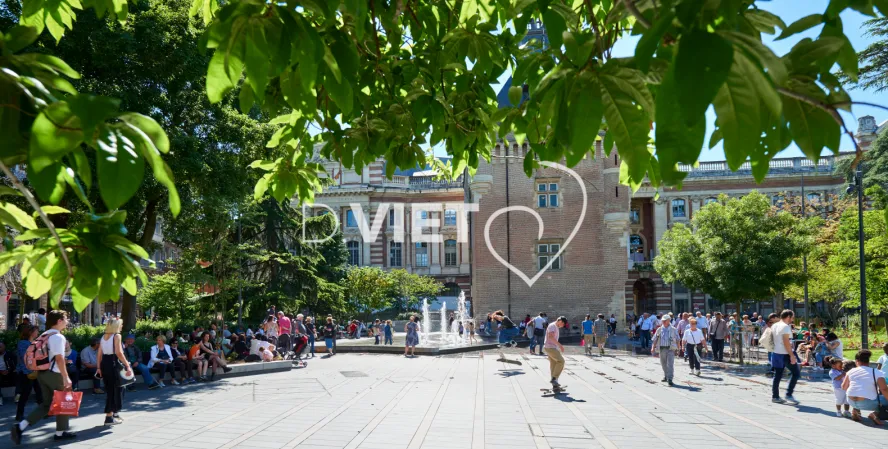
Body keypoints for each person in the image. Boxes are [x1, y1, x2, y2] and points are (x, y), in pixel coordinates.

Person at [11, 310, 77, 444]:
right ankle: (60, 433)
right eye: (65, 319)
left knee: (47, 404)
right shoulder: (58, 337)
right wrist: (66, 377)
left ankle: (20, 427)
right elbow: (59, 358)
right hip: (55, 374)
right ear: (59, 321)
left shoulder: (45, 334)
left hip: (42, 373)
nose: (67, 321)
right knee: (63, 402)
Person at [97, 318, 130, 426]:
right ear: (116, 326)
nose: (121, 326)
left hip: (105, 364)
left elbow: (99, 354)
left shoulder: (104, 337)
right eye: (121, 324)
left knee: (110, 390)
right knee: (120, 388)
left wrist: (98, 368)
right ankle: (111, 415)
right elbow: (119, 353)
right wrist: (127, 365)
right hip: (114, 363)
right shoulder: (117, 336)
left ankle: (112, 414)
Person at [842, 349, 888, 424]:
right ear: (868, 361)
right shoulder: (876, 372)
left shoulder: (851, 371)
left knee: (857, 391)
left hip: (850, 401)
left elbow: (844, 387)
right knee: (884, 398)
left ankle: (855, 410)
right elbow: (884, 389)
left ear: (857, 361)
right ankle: (875, 414)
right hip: (867, 403)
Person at [13, 325, 43, 423]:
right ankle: (19, 415)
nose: (37, 333)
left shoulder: (33, 342)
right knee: (25, 394)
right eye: (36, 331)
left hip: (34, 371)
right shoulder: (23, 343)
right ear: (31, 332)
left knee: (39, 391)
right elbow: (24, 357)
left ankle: (43, 411)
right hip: (26, 372)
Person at [770, 309, 800, 404]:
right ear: (788, 317)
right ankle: (788, 394)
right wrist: (792, 355)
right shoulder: (786, 327)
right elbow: (786, 342)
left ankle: (775, 396)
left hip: (775, 353)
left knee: (777, 375)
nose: (793, 319)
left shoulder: (775, 325)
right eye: (792, 317)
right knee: (796, 373)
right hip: (784, 354)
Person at [651, 315, 680, 386]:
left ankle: (670, 379)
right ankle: (666, 375)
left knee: (670, 364)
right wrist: (653, 348)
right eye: (662, 320)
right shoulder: (659, 329)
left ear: (668, 321)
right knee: (663, 363)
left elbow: (678, 339)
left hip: (670, 349)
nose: (663, 322)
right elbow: (655, 339)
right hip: (662, 348)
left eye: (664, 320)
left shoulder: (674, 329)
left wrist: (678, 349)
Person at [544, 317, 567, 389]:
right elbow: (550, 337)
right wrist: (560, 345)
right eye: (563, 324)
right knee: (561, 361)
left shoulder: (555, 326)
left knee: (553, 364)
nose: (562, 326)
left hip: (551, 347)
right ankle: (554, 379)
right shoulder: (552, 326)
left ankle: (554, 383)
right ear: (560, 321)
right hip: (550, 347)